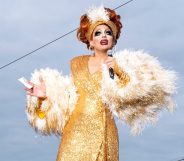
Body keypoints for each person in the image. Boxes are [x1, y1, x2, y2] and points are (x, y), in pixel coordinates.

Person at [24, 5, 177, 161]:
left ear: (114, 39)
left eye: (108, 32)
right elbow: (66, 101)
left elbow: (136, 91)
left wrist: (120, 72)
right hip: (75, 132)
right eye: (98, 33)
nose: (103, 36)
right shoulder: (78, 64)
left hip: (105, 131)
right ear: (90, 40)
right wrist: (45, 96)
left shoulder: (123, 64)